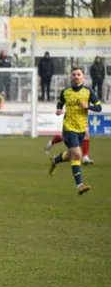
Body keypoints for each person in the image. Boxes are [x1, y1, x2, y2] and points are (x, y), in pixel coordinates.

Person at [48, 66, 101, 194]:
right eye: (74, 74)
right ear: (71, 77)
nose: (76, 76)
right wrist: (59, 109)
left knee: (71, 155)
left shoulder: (88, 92)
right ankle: (80, 186)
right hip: (68, 128)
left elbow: (99, 108)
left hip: (81, 129)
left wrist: (87, 106)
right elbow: (60, 103)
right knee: (77, 154)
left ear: (83, 76)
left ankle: (55, 160)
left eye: (78, 74)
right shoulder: (66, 92)